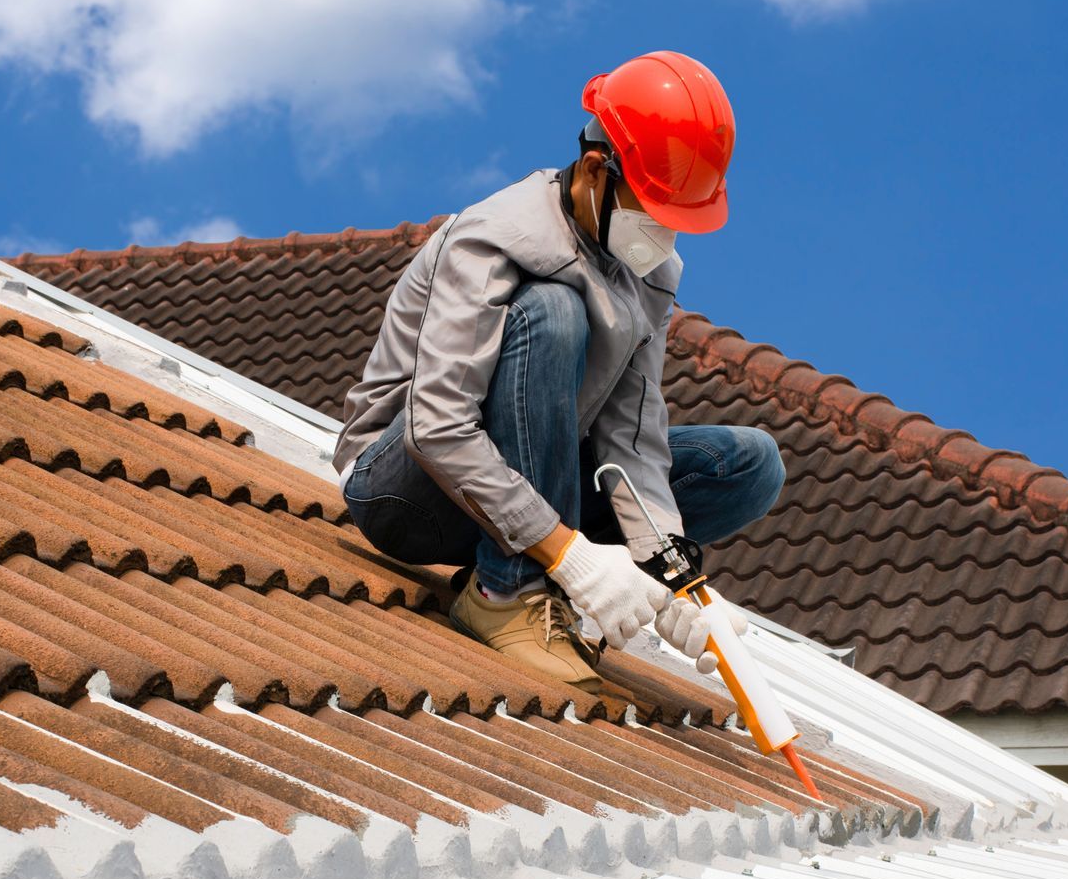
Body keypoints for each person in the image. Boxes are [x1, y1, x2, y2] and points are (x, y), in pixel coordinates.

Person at [333, 51, 785, 692]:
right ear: (598, 169)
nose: (663, 236)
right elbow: (436, 428)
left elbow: (631, 434)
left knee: (748, 463)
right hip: (405, 487)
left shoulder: (647, 269)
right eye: (654, 211)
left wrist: (672, 578)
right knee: (552, 311)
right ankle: (505, 591)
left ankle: (541, 560)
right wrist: (571, 558)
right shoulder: (495, 238)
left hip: (525, 481)